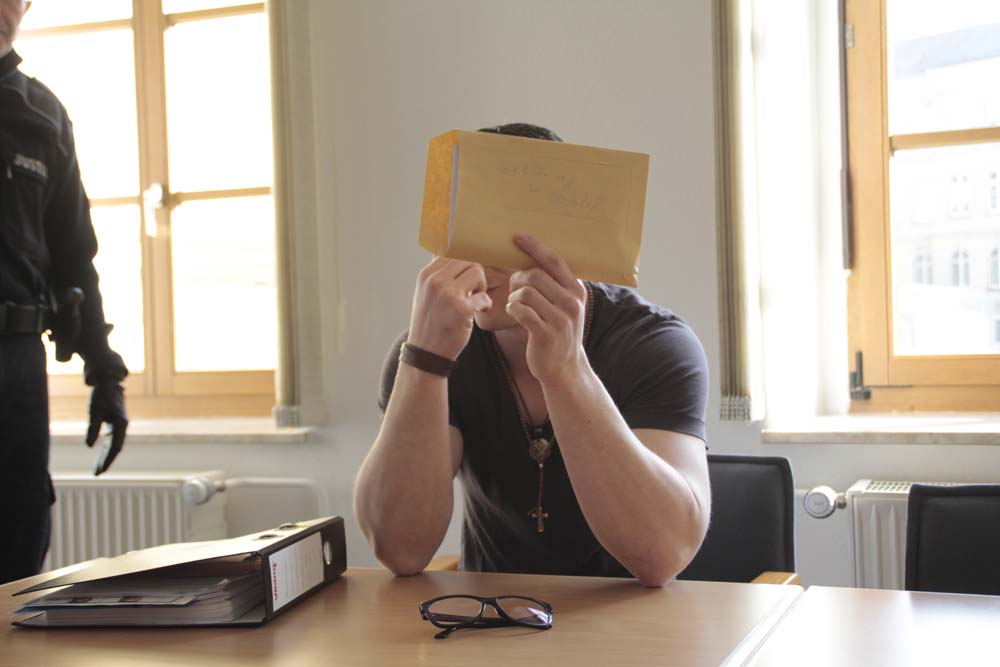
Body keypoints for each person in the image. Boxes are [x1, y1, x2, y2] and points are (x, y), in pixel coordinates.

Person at [354, 123, 711, 587]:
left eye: (504, 234)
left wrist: (565, 370)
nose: (479, 261)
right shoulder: (431, 346)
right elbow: (400, 549)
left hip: (628, 618)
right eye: (465, 234)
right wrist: (424, 359)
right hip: (488, 620)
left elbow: (664, 554)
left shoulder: (654, 344)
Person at [1, 0, 128, 584]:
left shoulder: (42, 113)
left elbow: (76, 256)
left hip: (15, 367)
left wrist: (105, 372)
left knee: (18, 542)